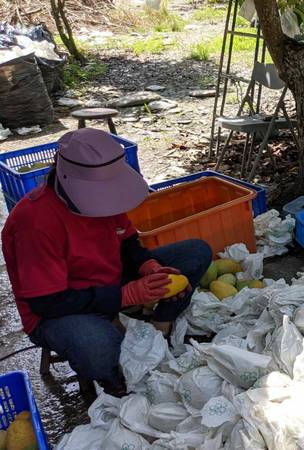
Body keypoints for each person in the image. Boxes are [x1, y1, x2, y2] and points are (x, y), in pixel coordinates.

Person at [1, 128, 212, 394]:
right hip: (59, 309)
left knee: (196, 252)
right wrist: (124, 295)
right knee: (99, 349)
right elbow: (47, 302)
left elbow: (127, 242)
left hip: (110, 278)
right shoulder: (34, 223)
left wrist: (148, 266)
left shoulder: (107, 197)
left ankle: (161, 327)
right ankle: (115, 379)